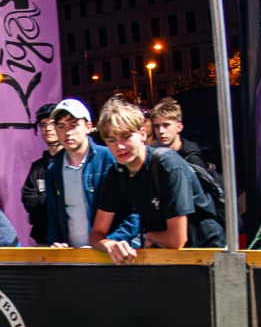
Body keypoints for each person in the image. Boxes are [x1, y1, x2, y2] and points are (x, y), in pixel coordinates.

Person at [91, 97, 226, 262]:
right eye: (111, 140)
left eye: (126, 137)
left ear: (142, 134)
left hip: (206, 253)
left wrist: (150, 236)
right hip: (167, 257)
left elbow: (177, 240)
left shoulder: (167, 163)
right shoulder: (116, 172)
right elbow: (96, 235)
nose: (119, 146)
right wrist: (110, 245)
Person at [43, 96, 133, 250]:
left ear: (88, 127)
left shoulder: (110, 159)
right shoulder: (53, 170)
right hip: (73, 257)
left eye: (73, 125)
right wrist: (56, 242)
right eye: (61, 126)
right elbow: (54, 215)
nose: (67, 132)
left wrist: (111, 242)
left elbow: (133, 210)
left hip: (112, 255)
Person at [21, 104, 62, 245]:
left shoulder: (72, 162)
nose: (47, 129)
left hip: (71, 241)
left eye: (52, 123)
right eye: (43, 125)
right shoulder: (37, 167)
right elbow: (28, 200)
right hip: (42, 238)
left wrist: (44, 199)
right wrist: (52, 199)